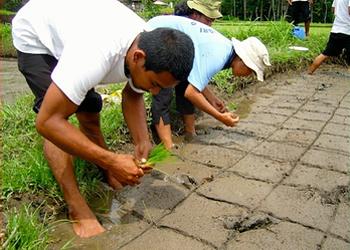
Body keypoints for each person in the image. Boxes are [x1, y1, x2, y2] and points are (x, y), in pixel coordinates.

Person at [12, 0, 194, 238]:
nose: (155, 93)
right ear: (137, 57)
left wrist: (142, 140)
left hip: (78, 30)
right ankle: (77, 207)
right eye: (155, 84)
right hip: (37, 36)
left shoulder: (150, 46)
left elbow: (133, 94)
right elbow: (48, 123)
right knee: (61, 115)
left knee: (89, 110)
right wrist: (112, 161)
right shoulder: (94, 53)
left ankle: (105, 170)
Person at [148, 15, 271, 149]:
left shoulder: (225, 52)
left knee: (184, 81)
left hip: (173, 41)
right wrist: (220, 117)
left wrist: (212, 98)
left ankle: (190, 133)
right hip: (157, 34)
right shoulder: (218, 56)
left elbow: (195, 77)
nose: (248, 76)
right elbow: (191, 93)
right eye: (250, 71)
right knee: (164, 88)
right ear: (242, 60)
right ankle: (167, 146)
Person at [308, 0, 350, 74]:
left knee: (325, 54)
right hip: (347, 30)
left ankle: (310, 72)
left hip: (336, 30)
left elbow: (333, 10)